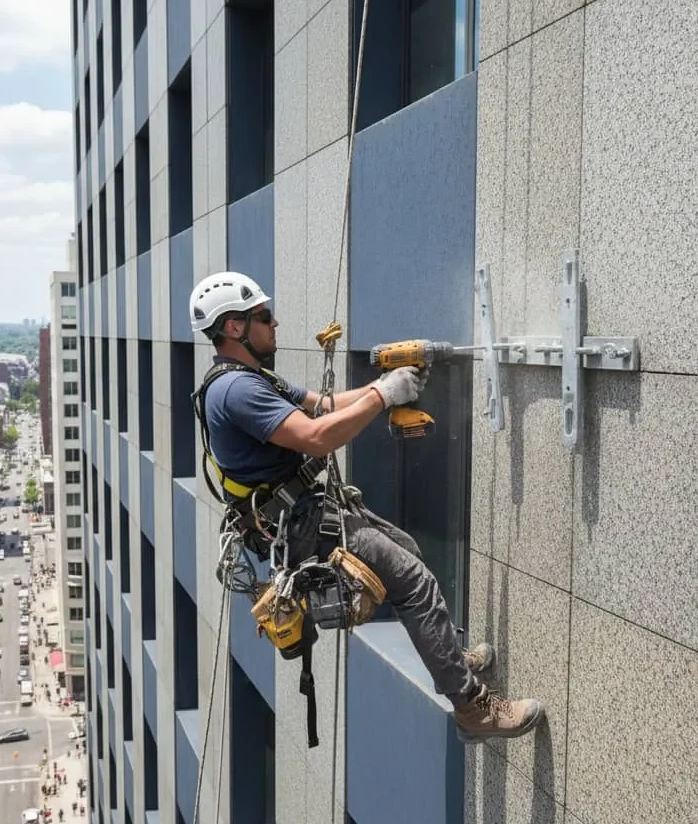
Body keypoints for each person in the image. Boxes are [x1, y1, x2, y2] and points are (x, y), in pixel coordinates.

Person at [188, 272, 542, 742]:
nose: (276, 323)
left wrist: (391, 383)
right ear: (234, 327)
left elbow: (324, 406)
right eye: (264, 316)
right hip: (298, 524)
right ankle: (472, 708)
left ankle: (449, 661)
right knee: (413, 581)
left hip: (304, 512)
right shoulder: (237, 391)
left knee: (406, 551)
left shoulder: (253, 377)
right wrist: (382, 395)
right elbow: (317, 436)